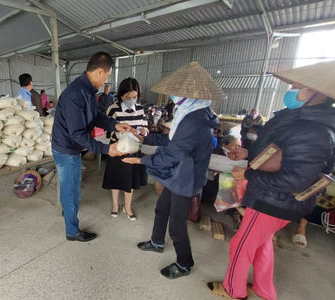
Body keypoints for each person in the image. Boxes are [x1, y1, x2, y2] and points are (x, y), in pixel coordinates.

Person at [207, 61, 335, 300]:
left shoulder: (313, 131)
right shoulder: (302, 121)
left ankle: (232, 290)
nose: (292, 90)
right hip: (278, 200)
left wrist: (247, 174)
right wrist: (251, 155)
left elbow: (294, 179)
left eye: (298, 86)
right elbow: (280, 152)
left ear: (314, 92)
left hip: (274, 201)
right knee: (262, 243)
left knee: (241, 245)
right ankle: (264, 290)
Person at [123, 61, 223, 279]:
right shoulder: (191, 112)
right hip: (179, 173)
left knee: (177, 224)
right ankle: (157, 242)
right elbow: (172, 139)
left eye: (177, 93)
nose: (174, 97)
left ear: (191, 94)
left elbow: (172, 153)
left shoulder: (195, 120)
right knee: (161, 209)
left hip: (185, 177)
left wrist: (141, 161)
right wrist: (146, 136)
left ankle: (185, 263)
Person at [51, 52, 135, 242]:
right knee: (72, 190)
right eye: (107, 75)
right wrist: (107, 149)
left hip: (71, 146)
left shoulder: (87, 91)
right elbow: (77, 134)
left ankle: (68, 210)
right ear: (99, 72)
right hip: (66, 149)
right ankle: (72, 231)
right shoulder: (75, 94)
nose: (107, 79)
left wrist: (114, 125)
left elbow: (96, 116)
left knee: (71, 188)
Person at [103, 78, 148, 221]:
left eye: (134, 97)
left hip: (134, 150)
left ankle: (127, 206)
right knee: (115, 178)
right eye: (128, 98)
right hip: (117, 150)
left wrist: (143, 132)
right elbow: (107, 132)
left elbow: (145, 128)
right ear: (121, 95)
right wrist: (122, 133)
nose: (131, 100)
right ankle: (115, 205)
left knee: (130, 180)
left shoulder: (141, 109)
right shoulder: (113, 109)